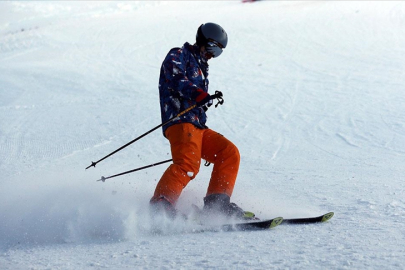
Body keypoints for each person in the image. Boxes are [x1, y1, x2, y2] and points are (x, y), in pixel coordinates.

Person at [150, 23, 253, 221]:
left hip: (196, 126)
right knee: (187, 164)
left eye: (219, 52)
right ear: (204, 42)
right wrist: (198, 94)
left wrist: (203, 101)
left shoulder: (201, 66)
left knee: (228, 153)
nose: (214, 55)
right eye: (214, 48)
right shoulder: (179, 54)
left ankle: (217, 206)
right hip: (180, 121)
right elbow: (174, 77)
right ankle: (160, 207)